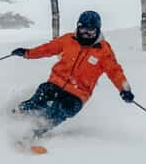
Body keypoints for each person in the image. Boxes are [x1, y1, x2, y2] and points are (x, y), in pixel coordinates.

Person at [10, 10, 134, 139]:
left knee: (60, 110)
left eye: (90, 31)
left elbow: (115, 71)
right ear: (78, 27)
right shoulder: (68, 40)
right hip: (56, 83)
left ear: (97, 30)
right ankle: (15, 115)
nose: (86, 34)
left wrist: (124, 90)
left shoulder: (103, 51)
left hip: (78, 93)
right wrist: (27, 53)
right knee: (40, 97)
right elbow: (47, 49)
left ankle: (35, 132)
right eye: (83, 30)